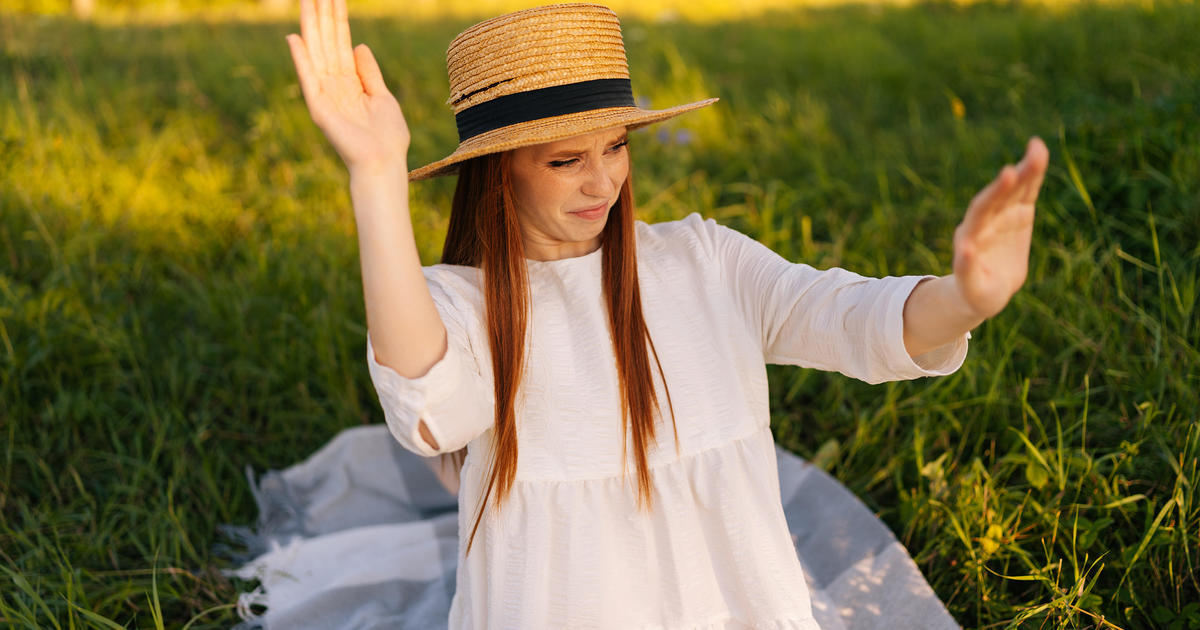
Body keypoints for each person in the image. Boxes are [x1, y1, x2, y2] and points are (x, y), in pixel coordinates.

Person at [269, 0, 1050, 628]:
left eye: (614, 147)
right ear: (495, 176)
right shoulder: (462, 303)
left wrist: (965, 297)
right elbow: (430, 413)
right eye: (564, 159)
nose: (601, 182)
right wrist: (375, 178)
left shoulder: (701, 260)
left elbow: (851, 318)